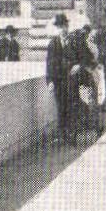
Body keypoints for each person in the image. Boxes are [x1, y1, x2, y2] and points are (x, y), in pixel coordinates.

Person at [45, 12, 71, 140]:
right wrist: (50, 81)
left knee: (72, 105)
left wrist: (78, 66)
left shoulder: (74, 41)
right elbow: (49, 64)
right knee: (61, 106)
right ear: (58, 28)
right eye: (60, 27)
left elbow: (83, 57)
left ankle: (71, 133)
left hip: (72, 80)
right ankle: (62, 134)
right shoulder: (53, 43)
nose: (63, 29)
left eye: (64, 26)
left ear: (67, 26)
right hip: (59, 80)